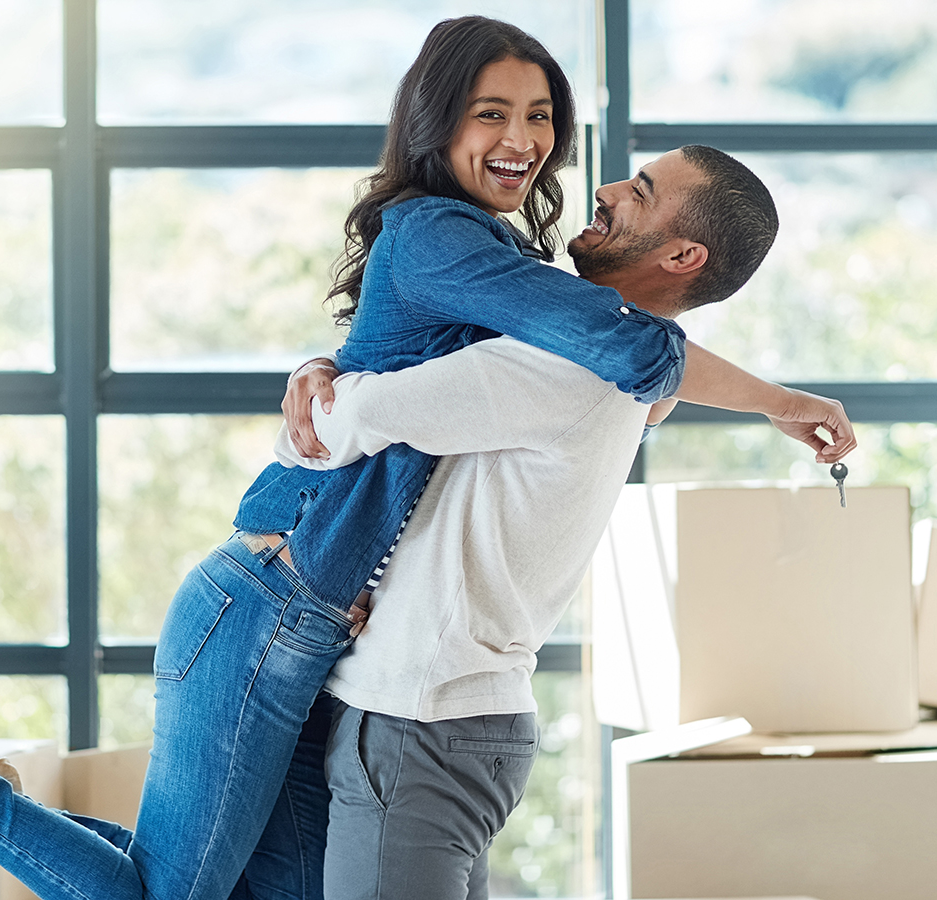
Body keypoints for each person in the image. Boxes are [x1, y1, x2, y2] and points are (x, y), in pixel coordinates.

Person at [0, 16, 850, 900]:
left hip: (317, 616)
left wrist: (770, 399)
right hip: (271, 596)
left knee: (261, 884)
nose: (532, 143)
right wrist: (351, 393)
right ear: (436, 121)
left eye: (541, 114)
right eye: (492, 112)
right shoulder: (443, 236)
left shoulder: (515, 274)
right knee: (174, 895)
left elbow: (620, 351)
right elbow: (625, 348)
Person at [275, 146, 837, 900]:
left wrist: (319, 377)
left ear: (681, 253)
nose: (605, 191)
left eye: (639, 191)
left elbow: (344, 425)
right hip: (453, 718)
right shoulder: (623, 376)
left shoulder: (570, 367)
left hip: (420, 718)